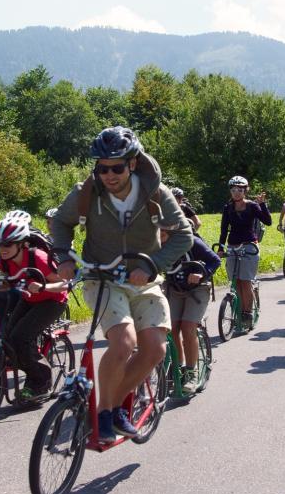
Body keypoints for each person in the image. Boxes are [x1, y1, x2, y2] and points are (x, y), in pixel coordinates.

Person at [51, 126, 193, 442]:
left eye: (116, 167)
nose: (109, 174)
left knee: (155, 349)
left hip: (144, 280)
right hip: (102, 277)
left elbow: (183, 235)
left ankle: (115, 408)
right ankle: (103, 413)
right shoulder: (87, 193)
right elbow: (60, 222)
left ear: (132, 163)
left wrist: (153, 264)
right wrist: (63, 257)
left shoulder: (156, 193)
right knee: (123, 342)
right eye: (102, 168)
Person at [0, 212, 69, 401]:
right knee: (7, 338)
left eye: (7, 244)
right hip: (29, 299)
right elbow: (7, 282)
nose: (2, 248)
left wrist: (43, 286)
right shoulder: (6, 259)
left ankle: (41, 382)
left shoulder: (38, 257)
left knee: (21, 337)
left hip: (52, 301)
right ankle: (31, 375)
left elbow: (64, 283)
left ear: (21, 243)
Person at [161, 229, 221, 394]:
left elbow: (215, 260)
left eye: (162, 231)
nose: (159, 234)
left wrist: (201, 273)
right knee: (170, 329)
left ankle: (191, 373)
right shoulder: (156, 244)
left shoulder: (191, 241)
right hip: (174, 288)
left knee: (188, 328)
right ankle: (178, 368)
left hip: (197, 289)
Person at [218, 175, 271, 330]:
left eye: (240, 189)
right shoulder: (227, 208)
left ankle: (246, 313)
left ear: (245, 190)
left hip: (249, 246)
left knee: (245, 280)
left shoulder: (252, 206)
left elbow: (267, 221)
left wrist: (263, 205)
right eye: (233, 189)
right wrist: (221, 248)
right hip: (233, 245)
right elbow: (223, 230)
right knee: (236, 280)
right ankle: (241, 310)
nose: (236, 192)